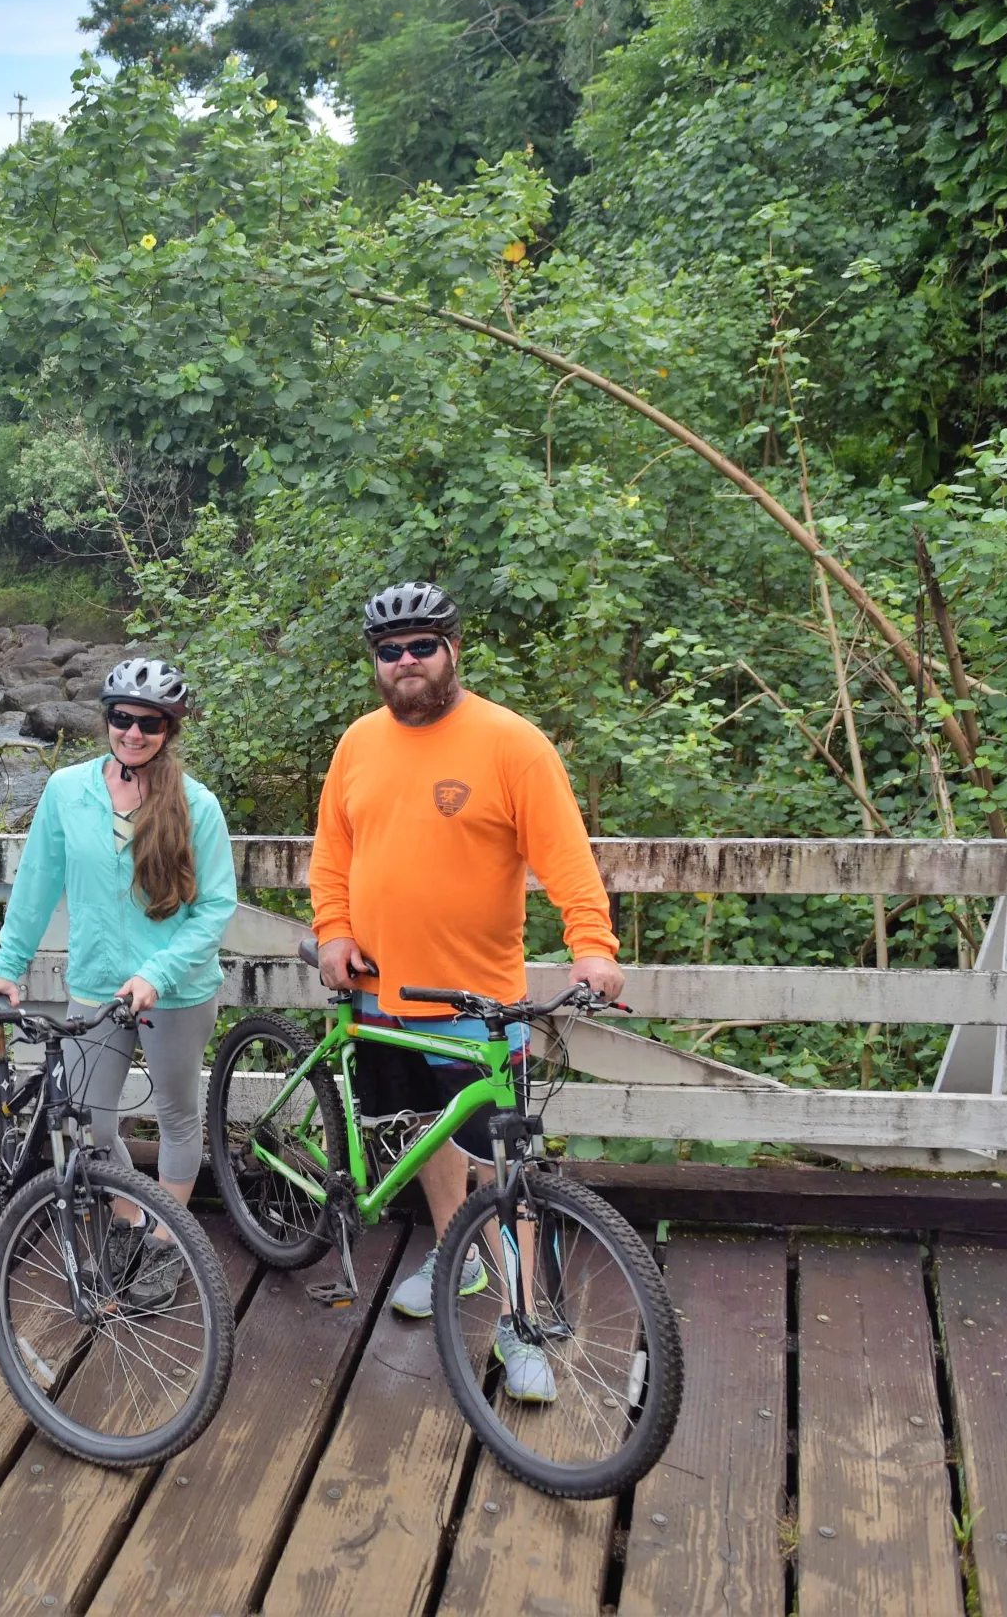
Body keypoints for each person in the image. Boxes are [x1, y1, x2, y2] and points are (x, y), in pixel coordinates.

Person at [308, 581, 624, 1400]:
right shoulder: (357, 743)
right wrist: (333, 931)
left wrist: (591, 947)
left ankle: (523, 1329)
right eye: (389, 650)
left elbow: (566, 859)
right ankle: (456, 1256)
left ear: (453, 649)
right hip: (379, 991)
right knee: (422, 1136)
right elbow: (331, 854)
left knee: (504, 1167)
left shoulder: (511, 744)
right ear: (374, 662)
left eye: (421, 646)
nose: (405, 662)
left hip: (477, 1002)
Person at [0, 658, 238, 1307]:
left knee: (175, 1114)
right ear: (105, 719)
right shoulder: (66, 790)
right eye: (122, 719)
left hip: (178, 989)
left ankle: (169, 1244)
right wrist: (6, 966)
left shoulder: (197, 806)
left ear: (170, 729)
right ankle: (129, 1217)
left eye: (150, 723)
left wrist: (157, 973)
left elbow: (215, 910)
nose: (134, 733)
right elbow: (36, 885)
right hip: (94, 981)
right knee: (87, 1115)